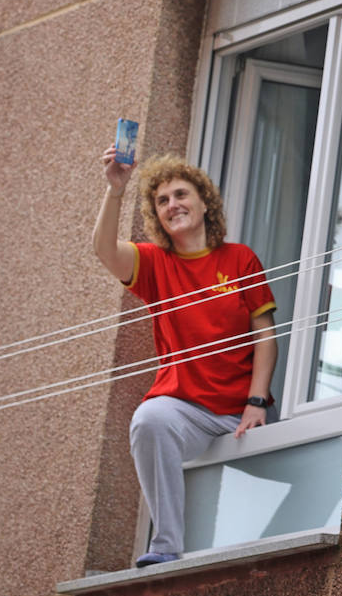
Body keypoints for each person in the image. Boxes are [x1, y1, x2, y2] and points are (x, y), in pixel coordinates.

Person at [94, 147, 277, 567]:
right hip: (186, 411)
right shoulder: (155, 263)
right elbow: (104, 251)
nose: (172, 205)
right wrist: (115, 190)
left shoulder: (239, 258)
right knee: (149, 420)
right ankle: (166, 545)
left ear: (203, 201)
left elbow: (265, 336)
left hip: (241, 411)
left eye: (181, 194)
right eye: (162, 201)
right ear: (157, 215)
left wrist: (257, 401)